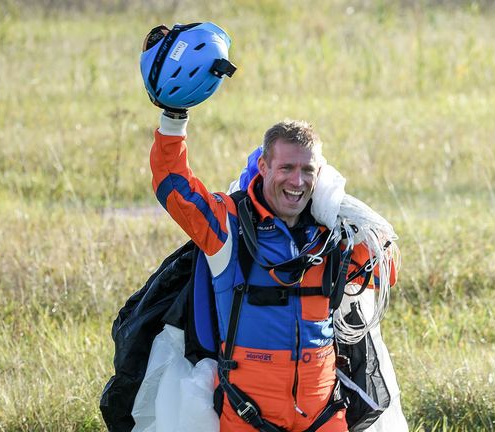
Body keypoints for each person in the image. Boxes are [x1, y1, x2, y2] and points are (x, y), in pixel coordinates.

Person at [149, 107, 399, 432]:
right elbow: (173, 183)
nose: (297, 181)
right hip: (247, 413)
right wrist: (174, 115)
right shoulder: (229, 227)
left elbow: (385, 272)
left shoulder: (331, 234)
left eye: (307, 170)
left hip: (324, 411)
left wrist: (343, 212)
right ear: (264, 167)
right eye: (286, 168)